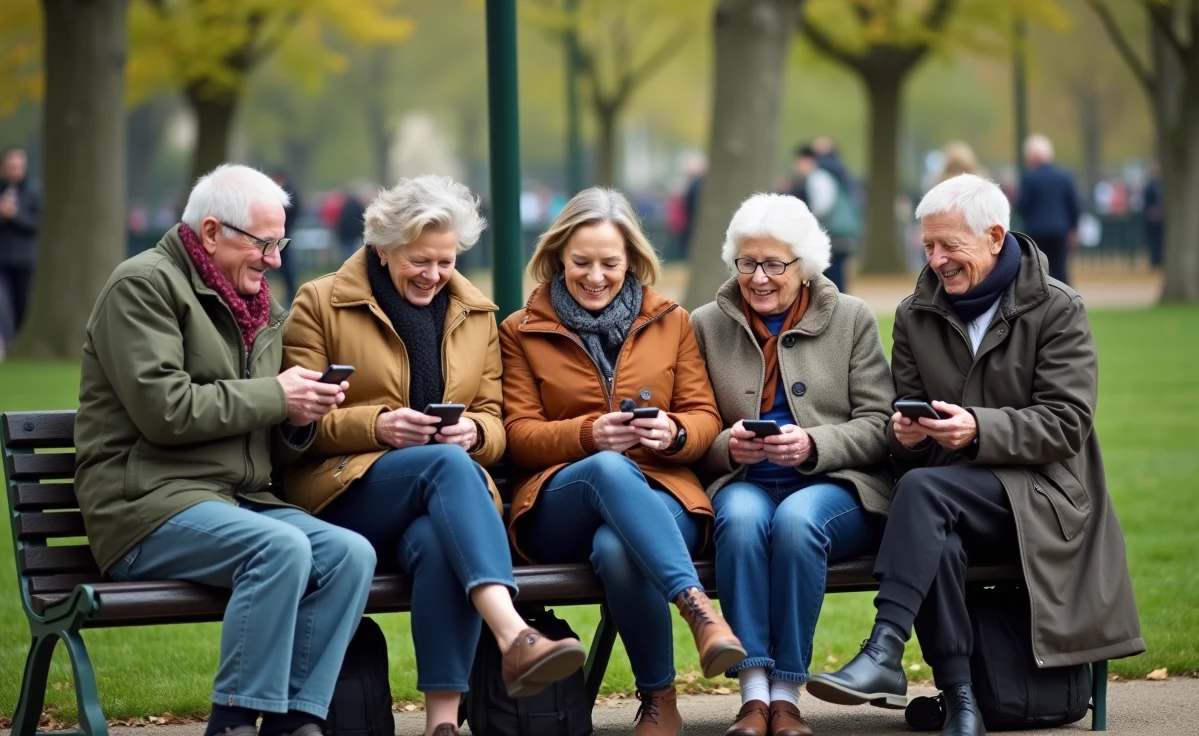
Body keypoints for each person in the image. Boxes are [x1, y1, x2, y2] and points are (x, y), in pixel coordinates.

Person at [807, 174, 1144, 736]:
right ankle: (963, 703)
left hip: (1044, 499)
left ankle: (886, 651)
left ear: (994, 235)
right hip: (950, 495)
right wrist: (906, 439)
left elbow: (1067, 423)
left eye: (948, 245)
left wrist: (977, 430)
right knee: (931, 517)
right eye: (928, 246)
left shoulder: (1057, 308)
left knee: (924, 498)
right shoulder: (917, 313)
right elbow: (905, 432)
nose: (936, 260)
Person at [75, 164, 377, 736]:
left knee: (350, 555)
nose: (275, 260)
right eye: (264, 244)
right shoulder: (141, 287)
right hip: (145, 506)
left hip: (237, 502)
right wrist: (274, 396)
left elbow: (264, 429)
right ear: (212, 233)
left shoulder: (261, 307)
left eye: (279, 243)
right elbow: (165, 411)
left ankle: (295, 723)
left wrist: (298, 418)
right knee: (281, 548)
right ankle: (234, 722)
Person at [280, 175, 586, 736]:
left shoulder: (475, 313)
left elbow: (495, 419)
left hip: (442, 506)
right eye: (420, 260)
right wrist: (380, 426)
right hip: (344, 495)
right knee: (446, 468)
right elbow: (297, 422)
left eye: (445, 261)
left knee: (436, 540)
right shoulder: (321, 302)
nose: (434, 275)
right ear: (383, 247)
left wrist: (472, 433)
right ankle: (513, 632)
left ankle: (441, 725)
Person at [500, 187, 744, 736]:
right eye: (581, 262)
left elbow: (704, 417)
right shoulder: (521, 330)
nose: (594, 276)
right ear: (558, 255)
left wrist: (673, 430)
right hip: (558, 501)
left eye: (609, 263)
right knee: (608, 469)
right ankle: (698, 609)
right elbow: (518, 436)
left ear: (632, 260)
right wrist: (590, 434)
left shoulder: (671, 320)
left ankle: (660, 700)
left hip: (663, 496)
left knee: (617, 548)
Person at [690, 193, 896, 736]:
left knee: (797, 523)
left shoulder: (850, 318)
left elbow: (880, 423)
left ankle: (786, 695)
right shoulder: (706, 323)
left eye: (774, 264)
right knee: (738, 520)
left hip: (833, 485)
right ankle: (753, 695)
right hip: (744, 479)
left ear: (804, 266)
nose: (758, 278)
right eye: (747, 262)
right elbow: (693, 421)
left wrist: (814, 444)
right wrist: (726, 446)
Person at [790, 145, 859, 293]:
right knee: (833, 273)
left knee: (832, 275)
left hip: (833, 235)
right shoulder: (824, 176)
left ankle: (839, 307)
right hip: (836, 234)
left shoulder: (818, 177)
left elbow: (822, 206)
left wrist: (805, 220)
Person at [1016, 134, 1080, 285]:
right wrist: (1073, 229)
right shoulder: (1064, 177)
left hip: (1036, 232)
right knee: (1060, 269)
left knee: (1039, 270)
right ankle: (1066, 302)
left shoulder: (1030, 178)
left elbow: (1022, 206)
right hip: (1060, 230)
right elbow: (1074, 206)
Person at [0, 146, 41, 340]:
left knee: (22, 303)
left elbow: (37, 224)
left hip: (24, 259)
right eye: (11, 166)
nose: (14, 170)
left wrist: (14, 215)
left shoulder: (34, 192)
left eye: (18, 166)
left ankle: (19, 339)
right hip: (2, 258)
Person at [271, 169, 301, 305]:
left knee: (285, 263)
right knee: (283, 263)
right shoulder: (290, 189)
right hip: (286, 230)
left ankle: (291, 292)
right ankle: (290, 291)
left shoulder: (287, 191)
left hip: (285, 231)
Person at [1142, 166, 1163, 269]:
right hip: (1153, 217)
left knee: (1158, 240)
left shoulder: (1156, 185)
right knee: (1154, 240)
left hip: (1159, 217)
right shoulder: (1151, 185)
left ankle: (1158, 260)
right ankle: (1155, 260)